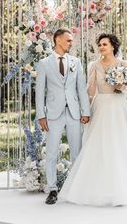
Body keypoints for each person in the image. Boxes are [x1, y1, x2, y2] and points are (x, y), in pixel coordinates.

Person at [59, 33, 127, 206]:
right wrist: (84, 111)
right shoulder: (94, 65)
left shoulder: (125, 65)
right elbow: (90, 91)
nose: (101, 47)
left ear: (113, 46)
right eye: (100, 45)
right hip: (101, 106)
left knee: (121, 144)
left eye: (104, 44)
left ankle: (125, 188)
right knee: (98, 144)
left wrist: (122, 86)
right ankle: (97, 188)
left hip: (119, 107)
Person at [36, 28, 90, 205]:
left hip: (74, 113)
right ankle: (52, 189)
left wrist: (85, 111)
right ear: (57, 40)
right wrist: (41, 115)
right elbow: (39, 91)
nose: (71, 43)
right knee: (51, 152)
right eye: (68, 40)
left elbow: (81, 88)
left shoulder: (76, 61)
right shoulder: (44, 63)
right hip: (52, 114)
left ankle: (77, 188)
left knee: (77, 152)